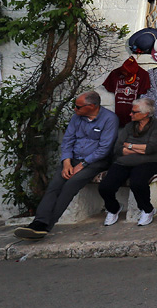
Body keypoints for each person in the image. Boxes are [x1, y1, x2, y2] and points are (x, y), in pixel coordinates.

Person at [13, 91, 118, 240]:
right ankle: (38, 223)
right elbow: (68, 140)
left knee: (71, 184)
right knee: (54, 185)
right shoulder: (77, 118)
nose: (75, 110)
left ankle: (45, 226)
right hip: (73, 159)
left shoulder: (109, 119)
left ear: (92, 106)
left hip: (95, 161)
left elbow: (104, 149)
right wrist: (67, 162)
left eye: (78, 107)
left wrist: (82, 164)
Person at [98, 97, 157, 226]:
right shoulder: (129, 126)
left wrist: (129, 146)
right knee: (105, 186)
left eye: (134, 112)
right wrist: (140, 148)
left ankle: (147, 210)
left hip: (150, 162)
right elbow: (118, 148)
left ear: (146, 114)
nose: (130, 114)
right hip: (124, 162)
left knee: (137, 183)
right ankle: (113, 209)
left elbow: (153, 148)